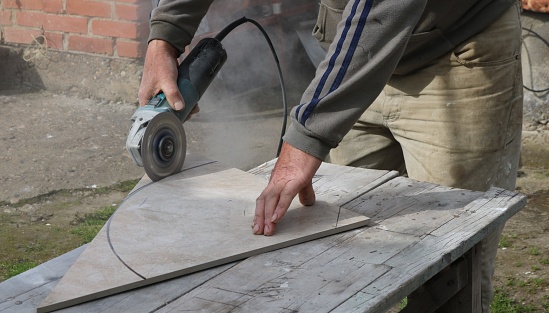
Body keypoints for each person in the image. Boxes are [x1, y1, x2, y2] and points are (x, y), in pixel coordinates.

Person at [138, 0, 523, 311]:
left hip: (455, 51)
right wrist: (166, 36)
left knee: (449, 264)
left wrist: (308, 134)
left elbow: (385, 7)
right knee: (343, 259)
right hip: (349, 55)